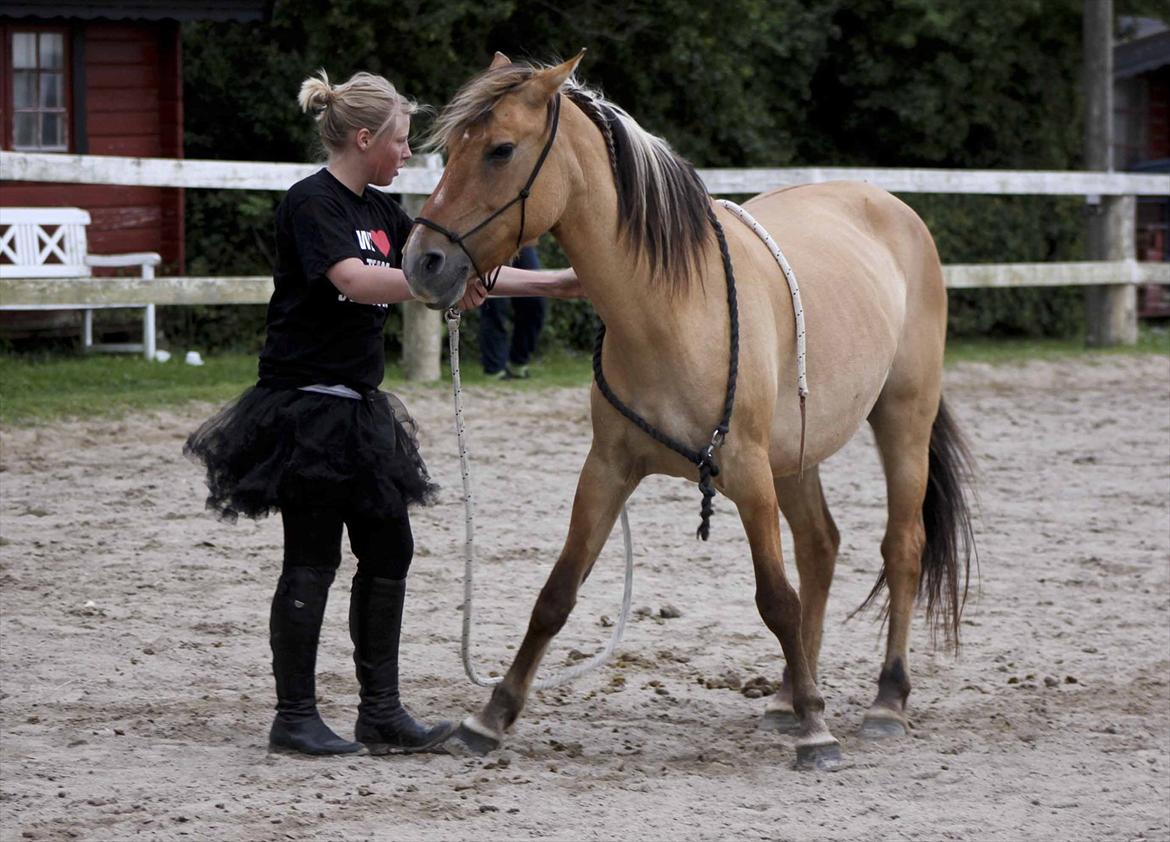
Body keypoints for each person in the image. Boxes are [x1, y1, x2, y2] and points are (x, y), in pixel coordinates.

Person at [184, 70, 579, 757]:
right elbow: (355, 280)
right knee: (311, 558)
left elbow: (449, 262)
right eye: (400, 141)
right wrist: (435, 289)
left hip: (359, 410)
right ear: (365, 139)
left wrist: (561, 282)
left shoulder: (381, 209)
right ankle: (295, 716)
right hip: (305, 408)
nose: (407, 155)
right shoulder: (314, 204)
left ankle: (381, 713)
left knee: (389, 547)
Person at [480, 245, 546, 379]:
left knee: (535, 301)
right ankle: (494, 368)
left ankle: (518, 362)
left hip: (520, 242)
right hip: (489, 241)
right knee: (495, 309)